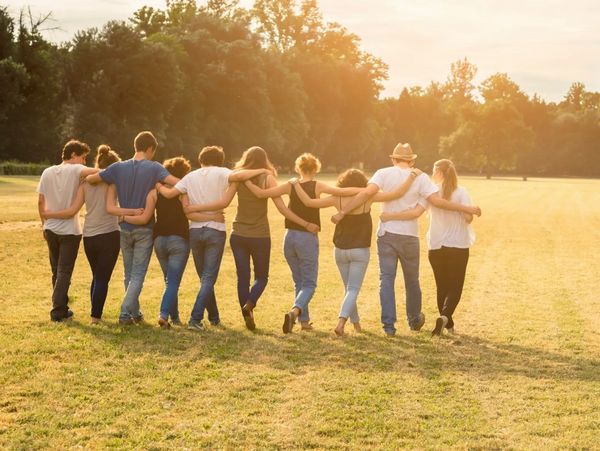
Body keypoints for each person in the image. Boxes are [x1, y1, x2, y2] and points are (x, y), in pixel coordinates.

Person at [331, 143, 481, 336]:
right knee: (412, 280)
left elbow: (367, 193)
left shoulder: (382, 173)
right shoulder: (422, 178)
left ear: (393, 159)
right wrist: (468, 209)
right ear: (412, 160)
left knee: (386, 280)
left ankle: (389, 326)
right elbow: (435, 202)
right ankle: (414, 320)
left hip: (386, 234)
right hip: (409, 236)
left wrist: (342, 212)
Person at [192, 146, 318, 331]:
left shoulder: (238, 177)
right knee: (262, 277)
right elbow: (282, 209)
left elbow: (224, 200)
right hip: (260, 235)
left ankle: (247, 313)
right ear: (264, 160)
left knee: (242, 277)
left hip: (238, 234)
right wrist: (305, 224)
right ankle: (249, 304)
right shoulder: (267, 178)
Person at [157, 146, 276, 331]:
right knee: (208, 279)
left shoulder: (190, 177)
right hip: (215, 230)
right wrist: (262, 169)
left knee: (205, 278)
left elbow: (170, 194)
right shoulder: (223, 172)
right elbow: (240, 178)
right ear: (220, 160)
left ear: (200, 159)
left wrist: (155, 182)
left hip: (195, 231)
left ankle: (213, 317)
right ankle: (195, 319)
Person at [292, 168, 420, 336]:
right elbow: (396, 194)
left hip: (339, 250)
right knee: (352, 290)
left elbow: (308, 202)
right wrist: (411, 176)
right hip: (359, 250)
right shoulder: (368, 197)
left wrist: (295, 184)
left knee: (348, 289)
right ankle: (340, 323)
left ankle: (356, 324)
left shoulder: (335, 198)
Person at [242, 153, 360, 334]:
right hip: (306, 238)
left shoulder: (290, 185)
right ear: (316, 169)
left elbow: (261, 193)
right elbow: (342, 192)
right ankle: (294, 312)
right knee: (310, 284)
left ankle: (304, 322)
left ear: (298, 168)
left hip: (289, 238)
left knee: (299, 281)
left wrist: (246, 180)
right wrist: (365, 191)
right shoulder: (317, 185)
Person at [86, 131, 180, 325]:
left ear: (135, 146)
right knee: (137, 275)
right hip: (145, 228)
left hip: (124, 228)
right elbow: (177, 183)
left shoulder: (117, 167)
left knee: (128, 273)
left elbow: (92, 179)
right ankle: (125, 313)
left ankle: (135, 314)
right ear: (150, 149)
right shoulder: (155, 168)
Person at [41, 145, 133, 324]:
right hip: (109, 234)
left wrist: (48, 215)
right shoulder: (113, 183)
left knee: (96, 276)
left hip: (89, 237)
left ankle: (89, 312)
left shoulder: (85, 184)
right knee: (101, 278)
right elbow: (116, 208)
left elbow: (73, 210)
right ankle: (95, 317)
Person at [383, 159, 476, 336]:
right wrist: (470, 212)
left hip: (436, 245)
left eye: (434, 171)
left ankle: (447, 324)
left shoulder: (429, 192)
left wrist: (391, 215)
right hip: (458, 245)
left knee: (441, 286)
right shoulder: (461, 192)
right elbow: (468, 218)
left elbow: (416, 211)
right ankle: (446, 316)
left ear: (438, 173)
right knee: (455, 286)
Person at [37, 139, 98, 322]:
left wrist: (44, 223)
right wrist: (88, 174)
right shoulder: (76, 169)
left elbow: (41, 202)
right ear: (73, 155)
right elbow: (102, 172)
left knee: (56, 271)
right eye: (83, 158)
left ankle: (62, 309)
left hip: (50, 229)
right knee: (64, 272)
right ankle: (57, 311)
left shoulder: (47, 171)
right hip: (69, 231)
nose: (84, 163)